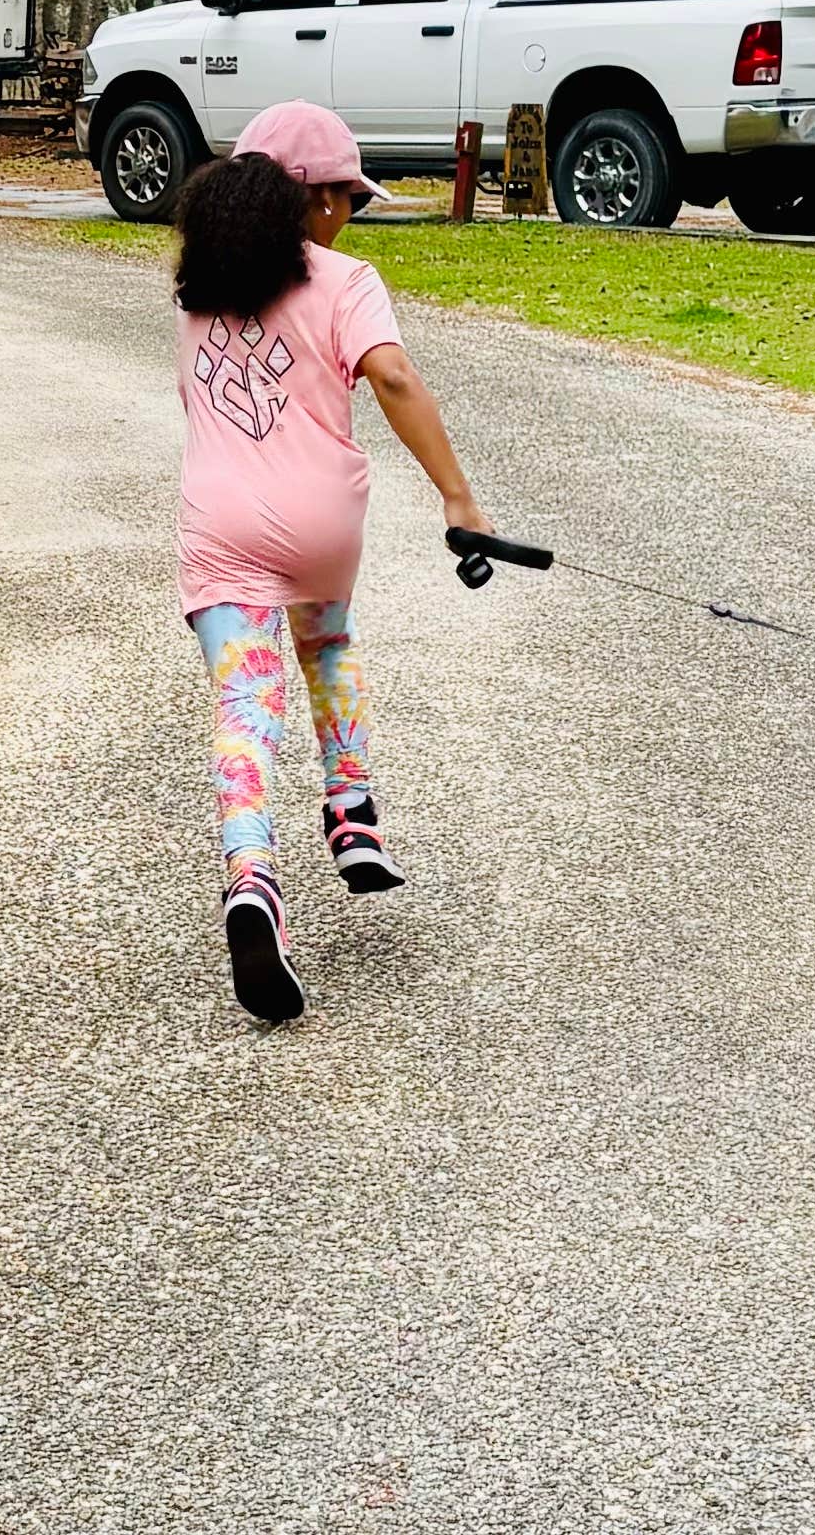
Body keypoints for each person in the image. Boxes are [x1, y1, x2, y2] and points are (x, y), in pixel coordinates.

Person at [174, 97, 488, 1026]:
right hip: (320, 525)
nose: (351, 212)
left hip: (220, 525)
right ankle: (351, 810)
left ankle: (251, 880)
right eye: (346, 195)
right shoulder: (348, 281)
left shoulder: (199, 287)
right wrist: (458, 498)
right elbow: (391, 377)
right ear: (308, 199)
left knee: (246, 708)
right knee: (330, 647)